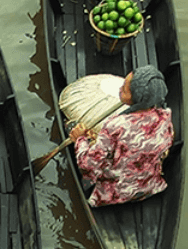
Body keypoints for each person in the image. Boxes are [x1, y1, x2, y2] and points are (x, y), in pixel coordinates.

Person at [68, 65, 174, 208]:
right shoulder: (165, 117)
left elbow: (88, 165)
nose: (119, 89)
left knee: (83, 149)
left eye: (124, 89)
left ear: (138, 97)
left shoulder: (115, 125)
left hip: (115, 194)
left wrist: (80, 139)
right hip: (150, 187)